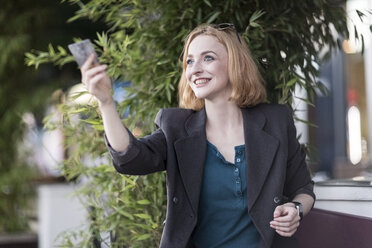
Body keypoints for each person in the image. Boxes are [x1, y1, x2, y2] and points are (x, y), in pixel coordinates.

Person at [80, 23, 315, 248]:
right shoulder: (176, 127)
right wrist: (106, 102)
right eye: (189, 61)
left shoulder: (275, 121)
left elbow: (303, 188)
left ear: (237, 65)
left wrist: (296, 209)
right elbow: (130, 158)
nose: (195, 69)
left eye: (208, 58)